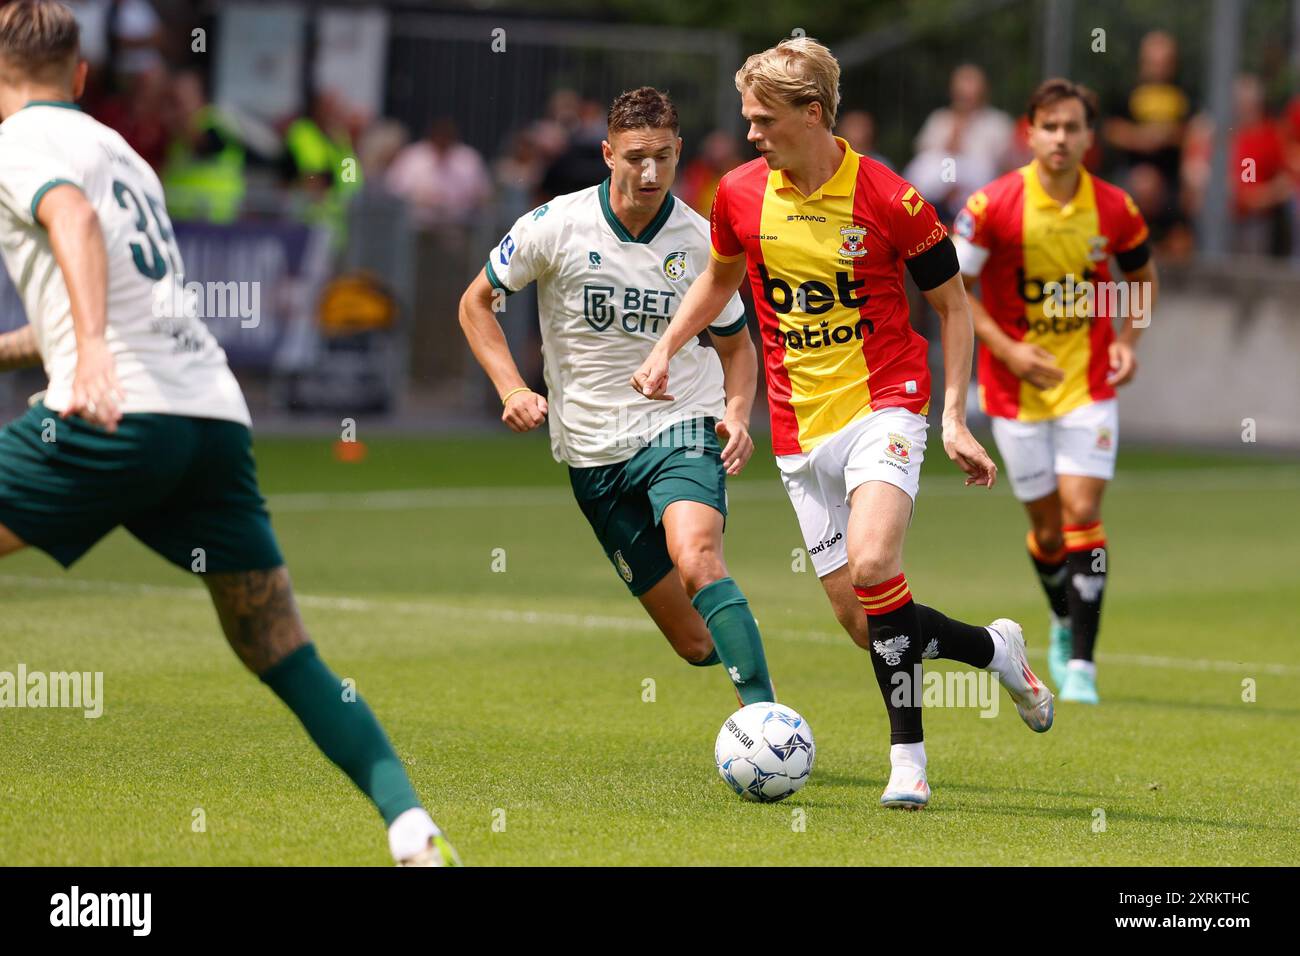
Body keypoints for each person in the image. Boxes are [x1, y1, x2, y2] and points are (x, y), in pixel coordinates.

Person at [0, 0, 458, 866]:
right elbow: (102, 288)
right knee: (280, 646)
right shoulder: (122, 153)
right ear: (83, 75)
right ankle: (411, 826)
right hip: (206, 418)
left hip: (114, 414)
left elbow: (72, 225)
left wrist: (91, 352)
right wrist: (60, 344)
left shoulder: (22, 142)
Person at [631, 39, 1052, 811]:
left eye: (763, 119)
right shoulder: (738, 194)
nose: (750, 133)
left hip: (886, 401)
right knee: (866, 623)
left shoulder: (893, 199)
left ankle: (909, 761)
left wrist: (954, 417)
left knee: (871, 564)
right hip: (798, 430)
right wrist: (665, 346)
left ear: (812, 114)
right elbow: (718, 281)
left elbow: (953, 307)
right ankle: (996, 650)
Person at [459, 86, 777, 711]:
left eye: (663, 155)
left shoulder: (700, 242)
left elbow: (739, 350)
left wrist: (737, 415)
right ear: (608, 153)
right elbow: (476, 303)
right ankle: (740, 645)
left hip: (681, 422)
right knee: (692, 642)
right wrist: (512, 388)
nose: (651, 171)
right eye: (635, 156)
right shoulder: (554, 225)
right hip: (590, 450)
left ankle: (768, 721)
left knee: (698, 556)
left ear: (679, 151)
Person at [952, 78, 1160, 703]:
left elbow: (1142, 277)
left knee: (1082, 514)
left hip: (1088, 385)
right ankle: (1065, 620)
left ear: (1090, 136)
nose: (1062, 138)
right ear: (1030, 132)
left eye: (1073, 127)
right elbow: (954, 289)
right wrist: (1010, 348)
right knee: (1046, 533)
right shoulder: (992, 205)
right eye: (1051, 126)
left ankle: (1083, 666)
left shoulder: (1115, 209)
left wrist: (1129, 340)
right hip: (1013, 392)